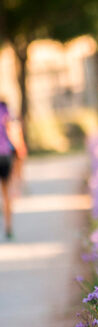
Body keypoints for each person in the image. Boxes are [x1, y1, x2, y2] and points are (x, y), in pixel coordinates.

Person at [0, 100, 27, 240]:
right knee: (6, 194)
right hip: (4, 156)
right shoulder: (4, 109)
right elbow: (13, 133)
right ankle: (8, 227)